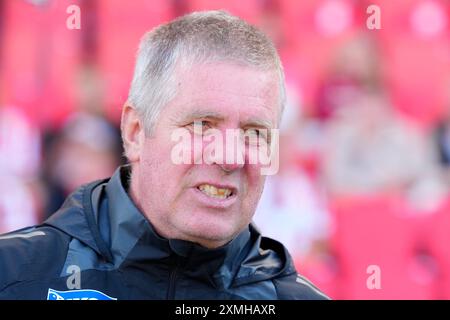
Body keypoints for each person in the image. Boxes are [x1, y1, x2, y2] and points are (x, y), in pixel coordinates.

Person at [0, 11, 328, 300]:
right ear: (135, 132)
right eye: (202, 125)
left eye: (253, 133)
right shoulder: (14, 276)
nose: (230, 157)